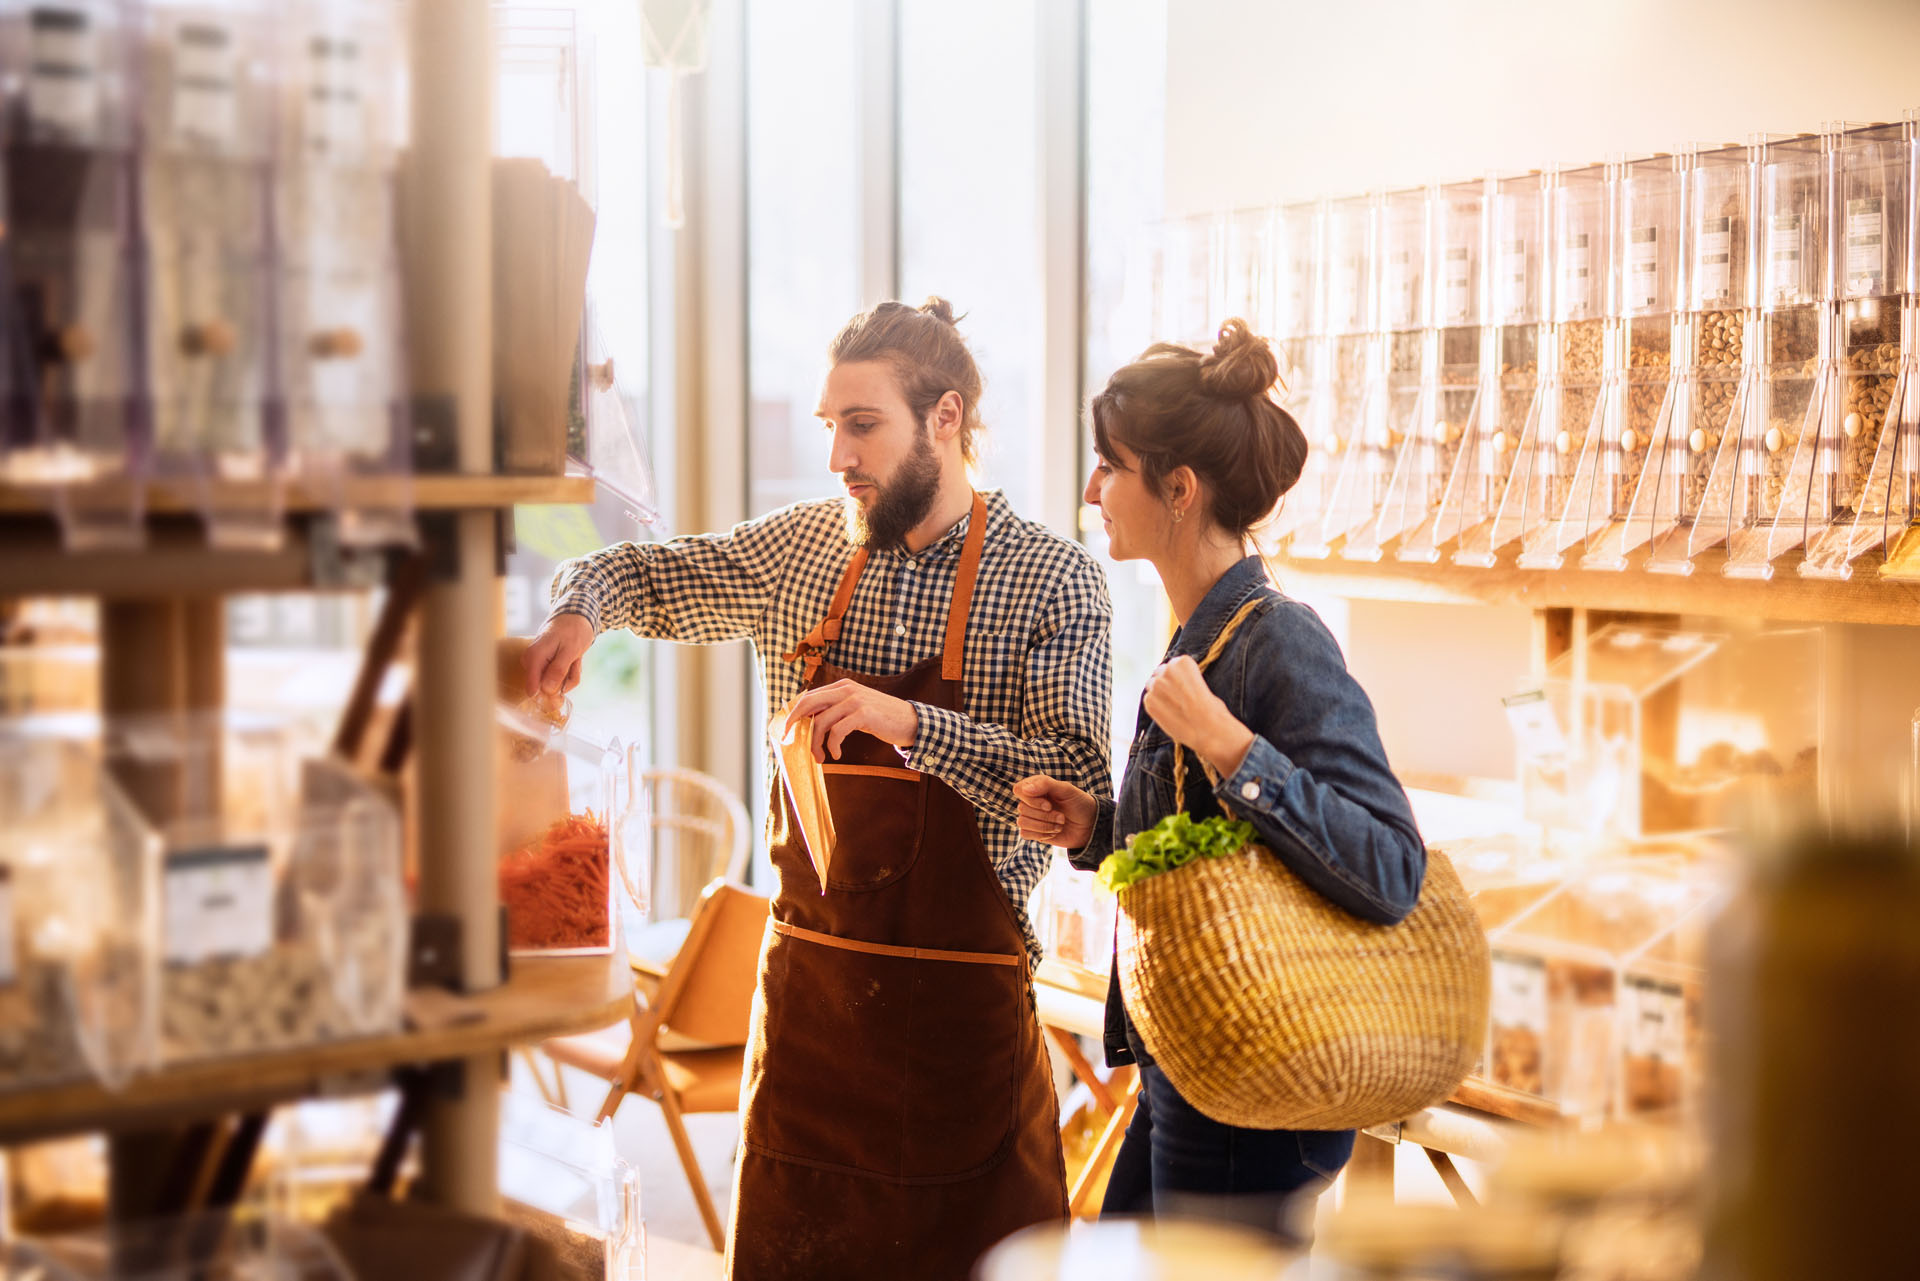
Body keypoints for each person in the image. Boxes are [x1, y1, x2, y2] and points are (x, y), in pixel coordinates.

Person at [523, 298, 1113, 1280]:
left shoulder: (1053, 581)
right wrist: (582, 615)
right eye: (831, 427)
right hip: (811, 1024)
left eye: (863, 424)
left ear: (948, 418)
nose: (840, 454)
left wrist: (908, 722)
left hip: (962, 1032)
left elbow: (1077, 788)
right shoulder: (804, 551)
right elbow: (638, 574)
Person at [1014, 319, 1426, 1232]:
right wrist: (1097, 825)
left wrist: (1232, 747)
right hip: (1194, 1067)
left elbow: (1392, 865)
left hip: (1256, 1092)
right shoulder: (1199, 632)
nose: (1092, 490)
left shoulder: (1279, 638)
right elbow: (1214, 856)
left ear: (1180, 488)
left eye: (1108, 465)